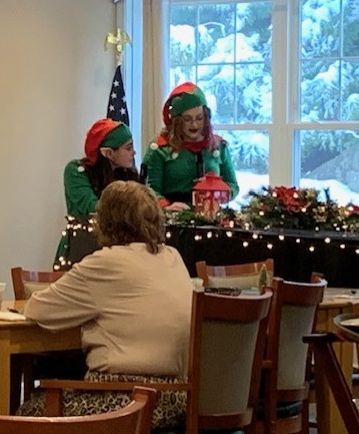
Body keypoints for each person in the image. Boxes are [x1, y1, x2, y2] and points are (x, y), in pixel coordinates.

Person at [19, 180, 192, 429]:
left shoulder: (106, 262)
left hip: (126, 399)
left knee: (26, 414)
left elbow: (38, 310)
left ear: (106, 222)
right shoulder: (172, 257)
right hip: (176, 397)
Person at [143, 82, 239, 211]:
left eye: (199, 118)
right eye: (187, 119)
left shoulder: (218, 146)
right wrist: (166, 207)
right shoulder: (159, 149)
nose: (194, 125)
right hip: (173, 216)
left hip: (210, 215)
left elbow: (233, 186)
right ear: (177, 121)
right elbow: (149, 190)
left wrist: (217, 193)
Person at [55, 118, 137, 268]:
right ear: (109, 153)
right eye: (128, 148)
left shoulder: (126, 175)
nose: (134, 152)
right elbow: (92, 207)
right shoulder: (76, 171)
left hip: (117, 250)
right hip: (82, 247)